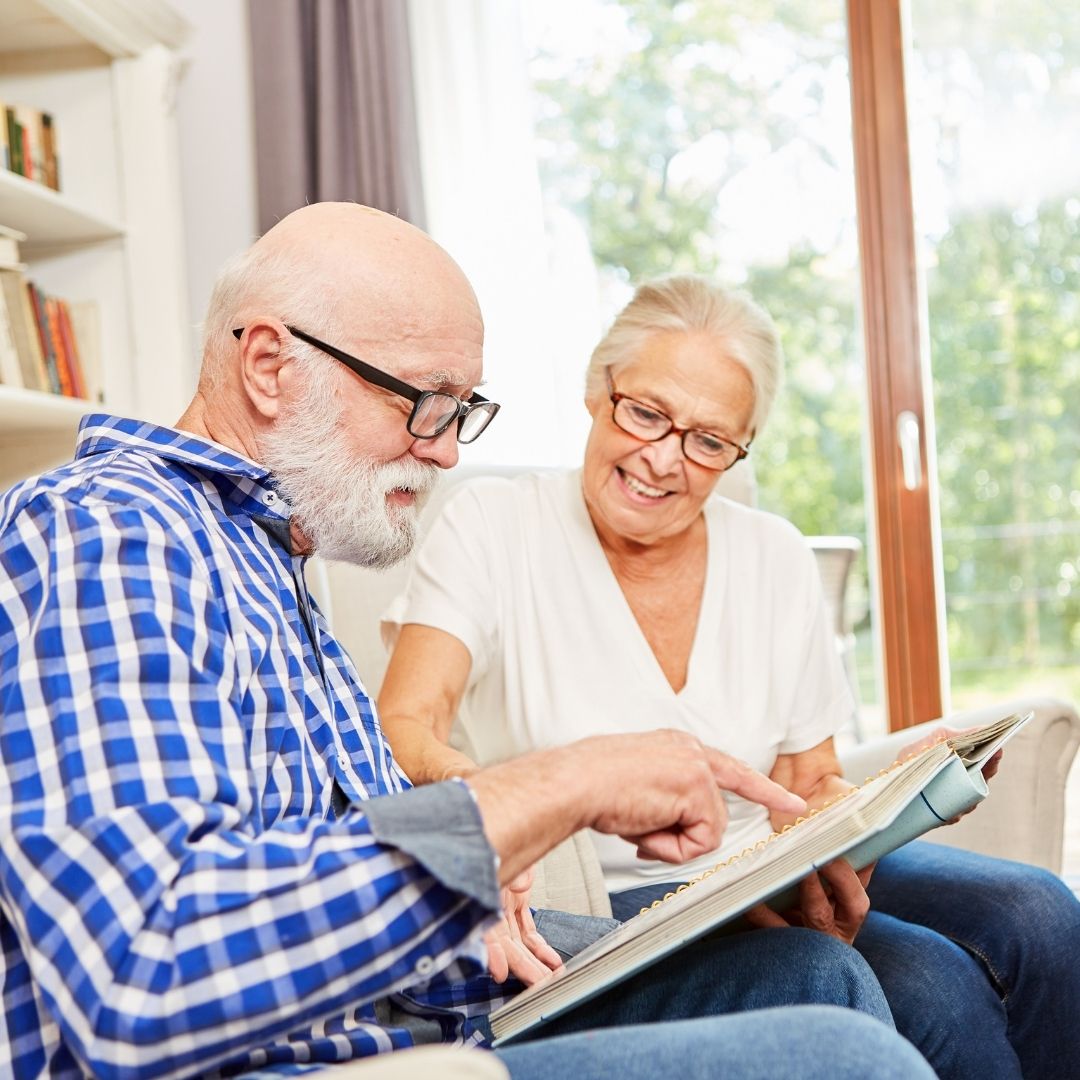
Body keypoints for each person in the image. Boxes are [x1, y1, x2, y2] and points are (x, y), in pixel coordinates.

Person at [0, 206, 935, 1080]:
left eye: (459, 408)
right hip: (325, 1060)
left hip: (418, 1003)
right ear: (271, 367)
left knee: (826, 977)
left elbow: (301, 860)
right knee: (849, 1058)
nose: (446, 449)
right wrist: (559, 788)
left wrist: (467, 898)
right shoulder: (106, 531)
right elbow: (137, 974)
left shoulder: (262, 553)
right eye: (424, 400)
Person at [379, 273, 1080, 1080]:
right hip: (615, 900)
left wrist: (886, 804)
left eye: (709, 441)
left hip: (765, 869)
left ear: (739, 449)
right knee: (937, 988)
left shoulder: (774, 554)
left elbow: (807, 780)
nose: (662, 459)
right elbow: (404, 725)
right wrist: (491, 826)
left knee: (1039, 912)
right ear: (595, 391)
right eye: (645, 413)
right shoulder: (493, 526)